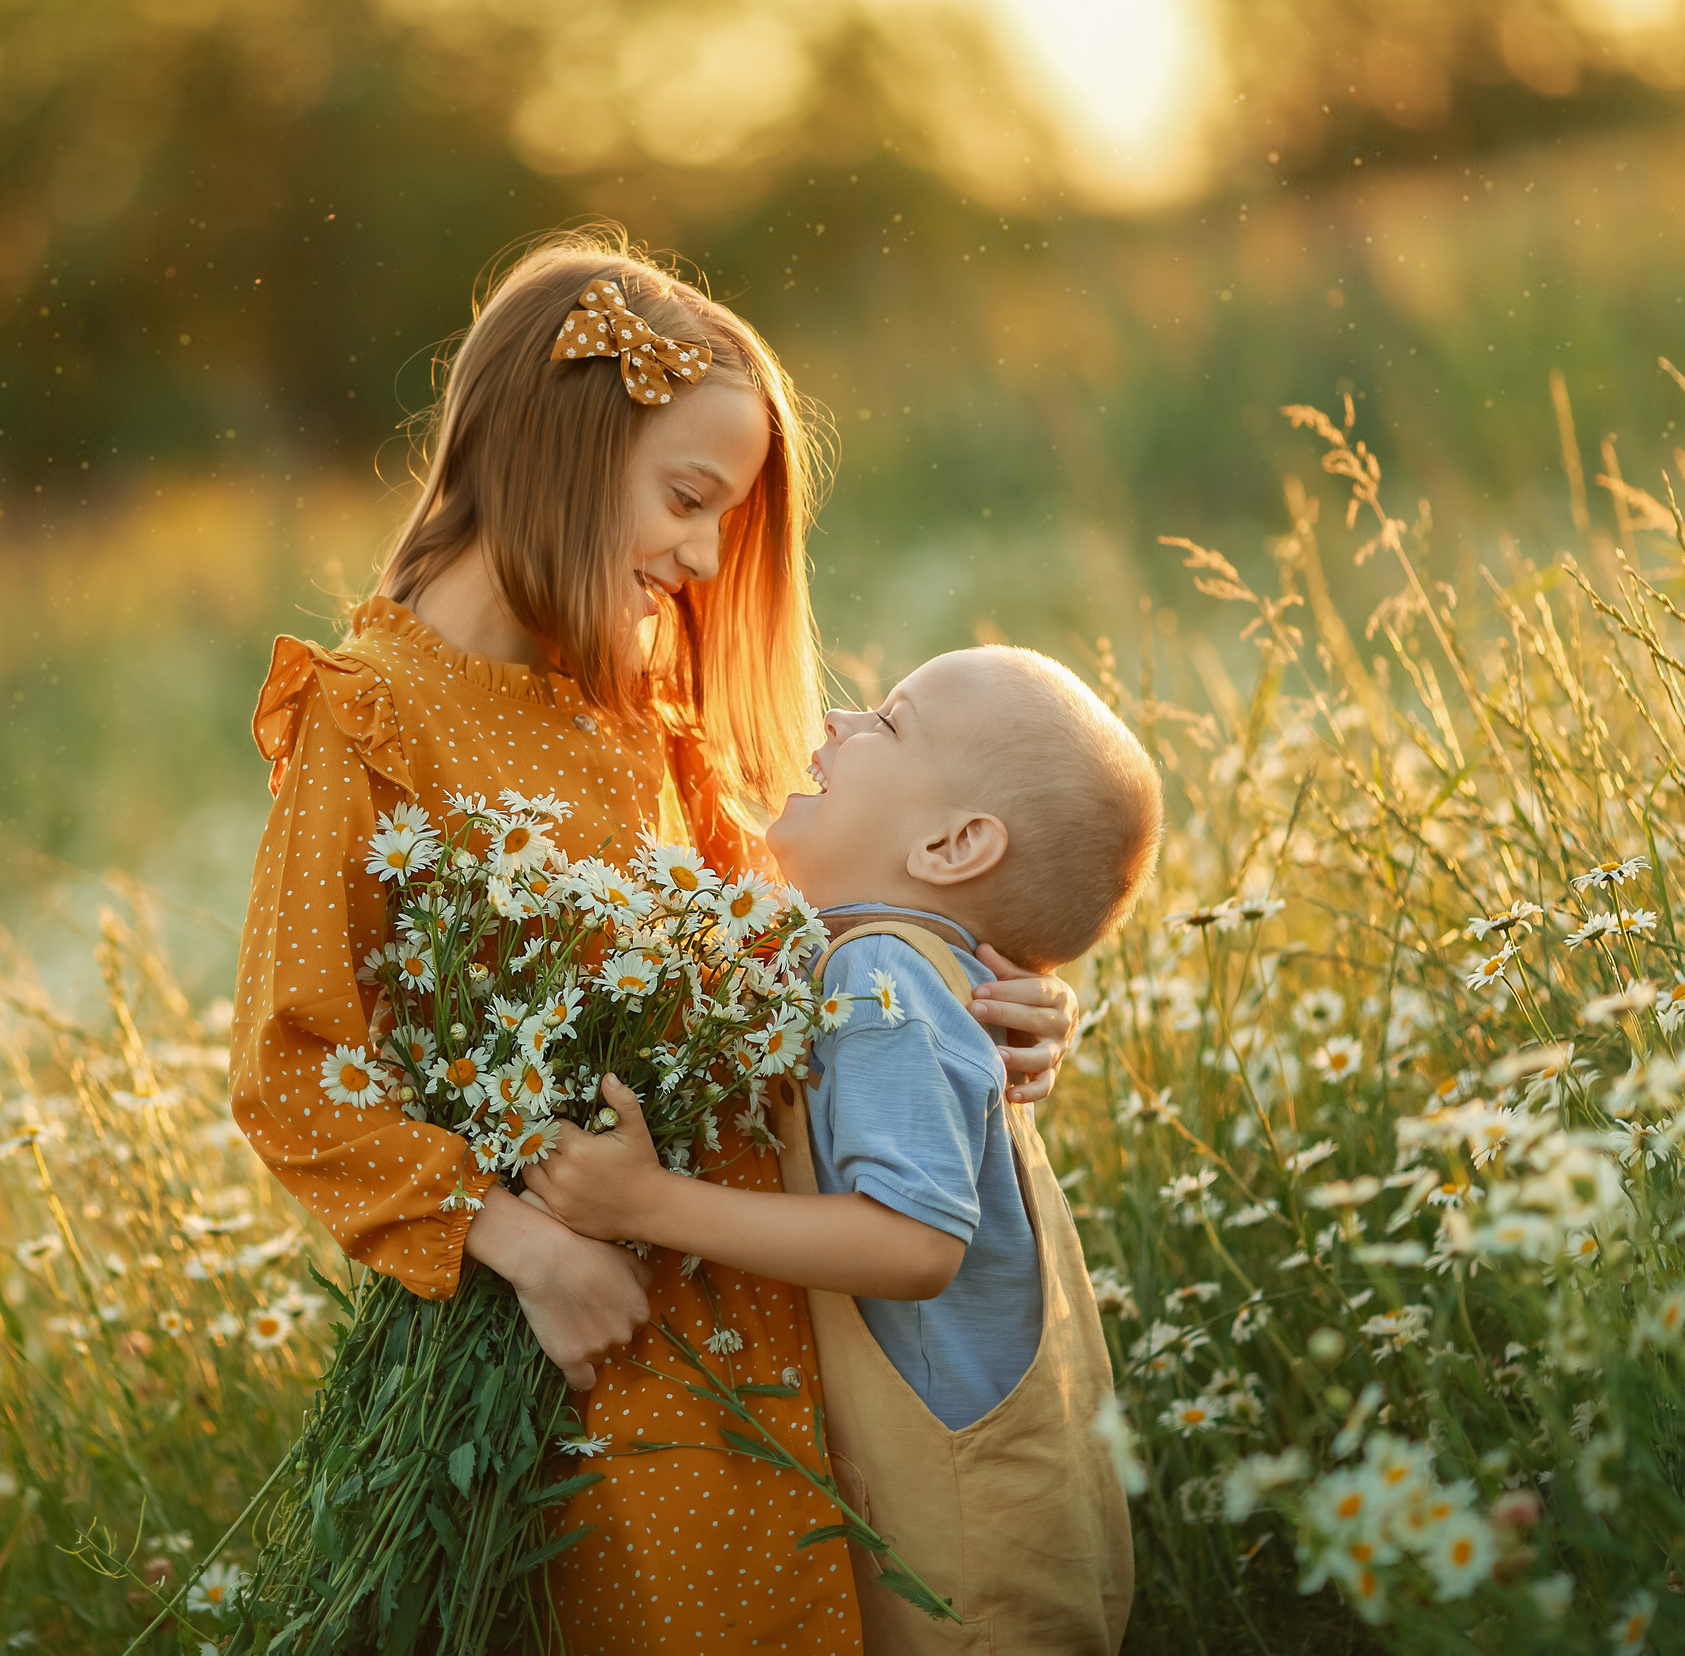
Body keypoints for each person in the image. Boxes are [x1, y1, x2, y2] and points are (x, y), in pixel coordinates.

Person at [229, 229, 1083, 1652]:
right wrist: (525, 1246)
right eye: (688, 501)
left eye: (724, 526)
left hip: (762, 1312)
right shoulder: (369, 712)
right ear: (558, 447)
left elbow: (784, 944)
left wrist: (982, 988)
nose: (699, 558)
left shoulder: (642, 696)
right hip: (583, 1345)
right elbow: (296, 1066)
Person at [524, 645, 1162, 1653]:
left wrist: (644, 1205)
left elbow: (914, 1244)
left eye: (888, 723)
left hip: (964, 1569)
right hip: (996, 1517)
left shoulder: (883, 980)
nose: (834, 722)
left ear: (954, 846)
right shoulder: (905, 968)